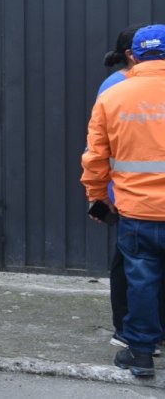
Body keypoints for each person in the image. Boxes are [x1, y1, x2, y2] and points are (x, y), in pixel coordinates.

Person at [82, 23, 165, 379]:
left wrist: (98, 198)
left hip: (138, 211)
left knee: (142, 279)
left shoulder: (112, 97)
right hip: (140, 210)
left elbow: (95, 158)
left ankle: (142, 354)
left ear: (134, 55)